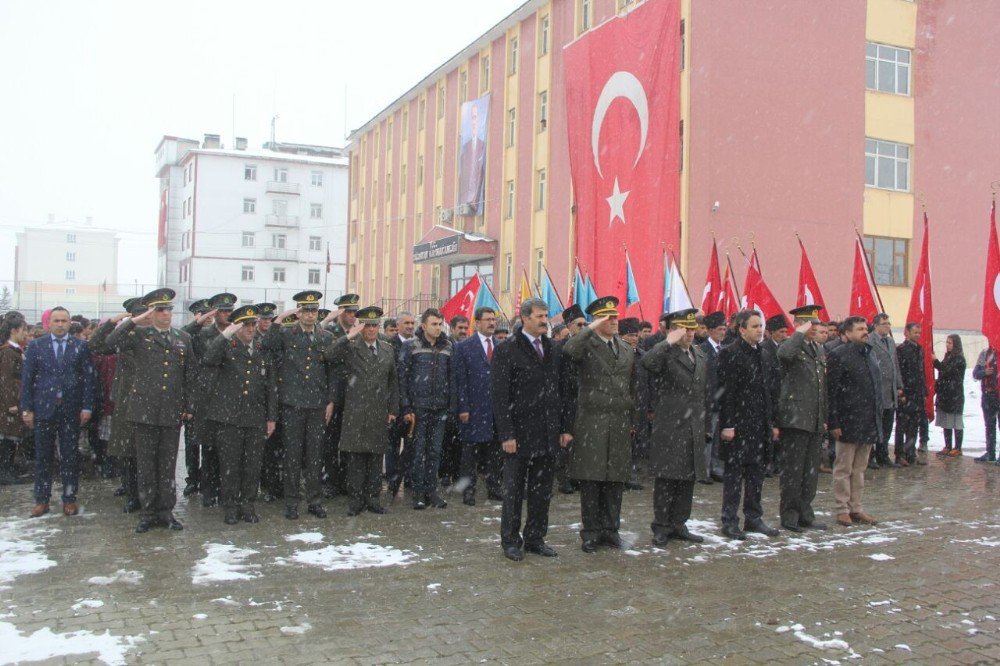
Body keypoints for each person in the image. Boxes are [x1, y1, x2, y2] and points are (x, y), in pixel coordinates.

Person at [105, 289, 195, 532]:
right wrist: (134, 320)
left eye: (168, 309)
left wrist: (188, 406)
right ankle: (147, 512)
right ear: (151, 312)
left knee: (167, 465)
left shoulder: (182, 338)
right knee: (146, 465)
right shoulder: (139, 336)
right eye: (160, 310)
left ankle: (166, 512)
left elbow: (190, 375)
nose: (166, 314)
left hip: (170, 410)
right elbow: (109, 343)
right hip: (144, 410)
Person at [492, 298, 568, 561]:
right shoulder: (507, 349)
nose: (544, 320)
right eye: (538, 316)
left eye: (546, 315)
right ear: (524, 318)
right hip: (519, 434)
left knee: (541, 490)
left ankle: (536, 537)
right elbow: (500, 397)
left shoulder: (553, 348)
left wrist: (565, 428)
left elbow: (563, 390)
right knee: (514, 492)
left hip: (547, 433)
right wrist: (506, 434)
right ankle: (511, 540)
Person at [562, 297, 635, 553]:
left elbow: (631, 386)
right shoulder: (587, 345)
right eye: (608, 318)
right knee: (592, 481)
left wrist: (632, 419)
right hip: (592, 421)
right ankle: (590, 532)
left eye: (615, 317)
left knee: (615, 480)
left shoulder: (626, 349)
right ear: (597, 320)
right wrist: (590, 329)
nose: (614, 322)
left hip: (618, 422)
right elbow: (568, 350)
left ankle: (610, 530)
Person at [262, 290, 338, 520]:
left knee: (315, 456)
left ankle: (314, 501)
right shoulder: (287, 335)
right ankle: (292, 502)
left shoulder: (325, 337)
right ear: (298, 312)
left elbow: (332, 371)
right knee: (292, 456)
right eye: (305, 311)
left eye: (314, 310)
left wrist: (330, 401)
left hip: (316, 405)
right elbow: (266, 345)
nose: (310, 315)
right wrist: (278, 320)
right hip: (293, 404)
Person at [201, 305, 278, 524]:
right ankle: (231, 507)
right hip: (229, 417)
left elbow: (270, 386)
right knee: (230, 465)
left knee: (252, 465)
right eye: (246, 325)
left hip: (254, 417)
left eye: (253, 324)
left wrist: (271, 418)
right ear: (236, 327)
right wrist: (225, 334)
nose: (251, 328)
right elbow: (209, 357)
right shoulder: (227, 347)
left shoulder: (263, 350)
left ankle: (248, 505)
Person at [642, 308, 711, 546]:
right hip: (670, 424)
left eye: (692, 328)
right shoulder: (665, 354)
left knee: (687, 478)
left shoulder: (700, 355)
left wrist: (706, 423)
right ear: (672, 331)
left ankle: (679, 523)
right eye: (684, 329)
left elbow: (704, 392)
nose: (690, 333)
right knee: (667, 478)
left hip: (693, 424)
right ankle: (661, 526)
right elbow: (647, 362)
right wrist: (665, 343)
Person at [20, 306, 95, 518]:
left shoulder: (80, 346)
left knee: (70, 456)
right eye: (56, 321)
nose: (60, 324)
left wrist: (87, 406)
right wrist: (27, 408)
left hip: (70, 410)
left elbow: (88, 379)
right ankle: (42, 500)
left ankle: (69, 498)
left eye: (64, 321)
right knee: (43, 456)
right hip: (44, 410)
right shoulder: (36, 346)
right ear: (49, 323)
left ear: (69, 323)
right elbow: (27, 380)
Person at [326, 306, 399, 516]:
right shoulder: (350, 347)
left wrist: (393, 408)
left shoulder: (387, 349)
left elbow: (393, 382)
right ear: (361, 326)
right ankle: (356, 501)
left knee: (376, 459)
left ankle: (373, 499)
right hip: (356, 412)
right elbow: (328, 355)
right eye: (367, 325)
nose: (371, 330)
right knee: (356, 460)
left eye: (375, 325)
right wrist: (349, 335)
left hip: (378, 411)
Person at [717, 309, 780, 540]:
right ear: (741, 329)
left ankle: (754, 517)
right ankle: (730, 521)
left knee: (757, 473)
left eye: (761, 326)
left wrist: (772, 422)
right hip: (739, 425)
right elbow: (726, 393)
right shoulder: (730, 353)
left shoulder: (764, 353)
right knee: (734, 475)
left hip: (760, 424)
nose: (760, 330)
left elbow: (771, 390)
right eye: (754, 326)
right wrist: (728, 424)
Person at [89, 299, 146, 513]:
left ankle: (147, 495)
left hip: (149, 401)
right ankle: (132, 493)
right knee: (128, 452)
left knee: (147, 454)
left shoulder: (155, 337)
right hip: (126, 402)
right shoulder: (125, 338)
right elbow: (95, 345)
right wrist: (113, 322)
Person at [776, 306, 828, 533]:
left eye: (817, 324)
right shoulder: (793, 346)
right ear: (799, 324)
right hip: (796, 419)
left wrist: (824, 417)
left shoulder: (817, 349)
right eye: (811, 324)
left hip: (814, 419)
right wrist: (798, 333)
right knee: (793, 471)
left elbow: (821, 387)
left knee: (810, 471)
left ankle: (806, 512)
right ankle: (789, 516)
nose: (816, 327)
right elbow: (784, 354)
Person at [827, 316, 882, 528]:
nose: (864, 332)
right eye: (859, 329)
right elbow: (832, 392)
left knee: (859, 469)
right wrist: (834, 422)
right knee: (843, 469)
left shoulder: (870, 353)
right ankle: (842, 509)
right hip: (847, 420)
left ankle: (856, 507)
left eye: (865, 328)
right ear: (847, 333)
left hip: (868, 420)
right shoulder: (838, 355)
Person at [398, 308, 455, 510]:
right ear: (423, 326)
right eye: (434, 324)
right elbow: (402, 378)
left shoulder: (448, 346)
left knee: (435, 451)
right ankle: (418, 493)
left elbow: (451, 378)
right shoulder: (410, 346)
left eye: (440, 324)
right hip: (418, 408)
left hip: (439, 408)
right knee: (417, 452)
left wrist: (451, 405)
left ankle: (432, 491)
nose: (438, 328)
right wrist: (406, 406)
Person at [452, 307, 503, 506]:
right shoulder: (464, 347)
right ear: (478, 323)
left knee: (494, 452)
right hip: (473, 408)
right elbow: (460, 380)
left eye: (494, 319)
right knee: (470, 454)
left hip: (494, 410)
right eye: (488, 319)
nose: (492, 323)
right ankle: (469, 490)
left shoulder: (500, 346)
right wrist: (463, 407)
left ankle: (494, 487)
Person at [321, 293, 360, 499]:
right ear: (341, 313)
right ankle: (331, 480)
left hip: (353, 395)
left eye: (355, 312)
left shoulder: (359, 332)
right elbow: (328, 356)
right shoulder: (330, 332)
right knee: (330, 442)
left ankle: (346, 480)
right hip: (333, 394)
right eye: (349, 312)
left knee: (348, 441)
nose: (353, 315)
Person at [179, 298, 213, 498]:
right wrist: (198, 323)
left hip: (211, 397)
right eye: (203, 314)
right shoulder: (189, 335)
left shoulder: (215, 335)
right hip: (193, 397)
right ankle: (193, 479)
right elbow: (184, 332)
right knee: (191, 444)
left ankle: (208, 480)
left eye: (210, 315)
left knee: (209, 444)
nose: (208, 318)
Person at [385, 311, 416, 499]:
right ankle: (392, 479)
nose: (410, 326)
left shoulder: (416, 345)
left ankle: (410, 478)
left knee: (412, 443)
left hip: (413, 403)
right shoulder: (390, 345)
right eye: (406, 323)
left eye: (412, 323)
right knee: (392, 445)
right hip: (395, 403)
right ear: (398, 325)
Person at [867, 313, 902, 468]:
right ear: (876, 325)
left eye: (889, 323)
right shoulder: (870, 340)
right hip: (876, 391)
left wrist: (899, 386)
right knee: (875, 426)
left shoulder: (890, 341)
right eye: (884, 323)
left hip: (890, 391)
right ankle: (871, 456)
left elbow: (895, 365)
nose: (887, 326)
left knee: (887, 425)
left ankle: (883, 454)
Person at [0, 312, 29, 485]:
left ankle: (8, 469)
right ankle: (4, 471)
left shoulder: (15, 351)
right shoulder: (8, 353)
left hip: (13, 401)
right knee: (6, 439)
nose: (25, 334)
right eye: (23, 330)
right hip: (7, 405)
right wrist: (11, 403)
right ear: (13, 331)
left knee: (11, 438)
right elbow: (6, 380)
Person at [700, 311, 727, 483]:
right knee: (707, 437)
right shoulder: (703, 350)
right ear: (709, 330)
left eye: (724, 329)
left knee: (719, 439)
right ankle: (704, 470)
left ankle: (716, 468)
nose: (723, 332)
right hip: (708, 401)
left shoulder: (724, 350)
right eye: (719, 329)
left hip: (722, 400)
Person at [895, 322, 926, 466]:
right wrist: (901, 391)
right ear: (907, 332)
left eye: (919, 333)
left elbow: (920, 372)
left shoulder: (920, 349)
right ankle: (899, 454)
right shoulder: (901, 349)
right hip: (905, 393)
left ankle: (910, 453)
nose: (918, 335)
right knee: (902, 425)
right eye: (915, 332)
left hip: (917, 393)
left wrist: (923, 391)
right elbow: (899, 371)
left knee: (914, 425)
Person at [934, 334, 966, 457]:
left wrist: (935, 362)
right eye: (946, 342)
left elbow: (947, 371)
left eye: (950, 343)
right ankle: (948, 445)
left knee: (956, 422)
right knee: (946, 422)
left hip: (954, 395)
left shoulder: (959, 358)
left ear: (956, 344)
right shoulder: (948, 357)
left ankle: (958, 447)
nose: (947, 345)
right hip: (945, 395)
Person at [973, 346, 999, 463]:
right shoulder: (985, 353)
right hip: (988, 395)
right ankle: (990, 452)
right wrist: (984, 372)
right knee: (989, 425)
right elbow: (975, 373)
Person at [458, 102, 486, 206]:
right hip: (466, 199)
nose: (474, 122)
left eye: (476, 118)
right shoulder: (465, 148)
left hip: (479, 197)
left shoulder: (483, 145)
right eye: (473, 118)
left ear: (480, 120)